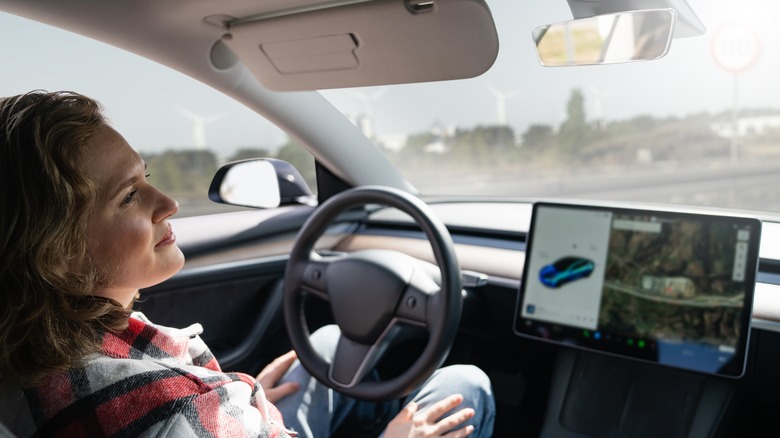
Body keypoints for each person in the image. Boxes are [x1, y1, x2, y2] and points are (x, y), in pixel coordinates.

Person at [0, 90, 495, 437]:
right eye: (129, 196)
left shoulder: (38, 348)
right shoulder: (168, 413)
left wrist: (241, 398)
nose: (169, 201)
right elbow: (170, 413)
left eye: (145, 176)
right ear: (57, 254)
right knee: (464, 385)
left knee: (320, 348)